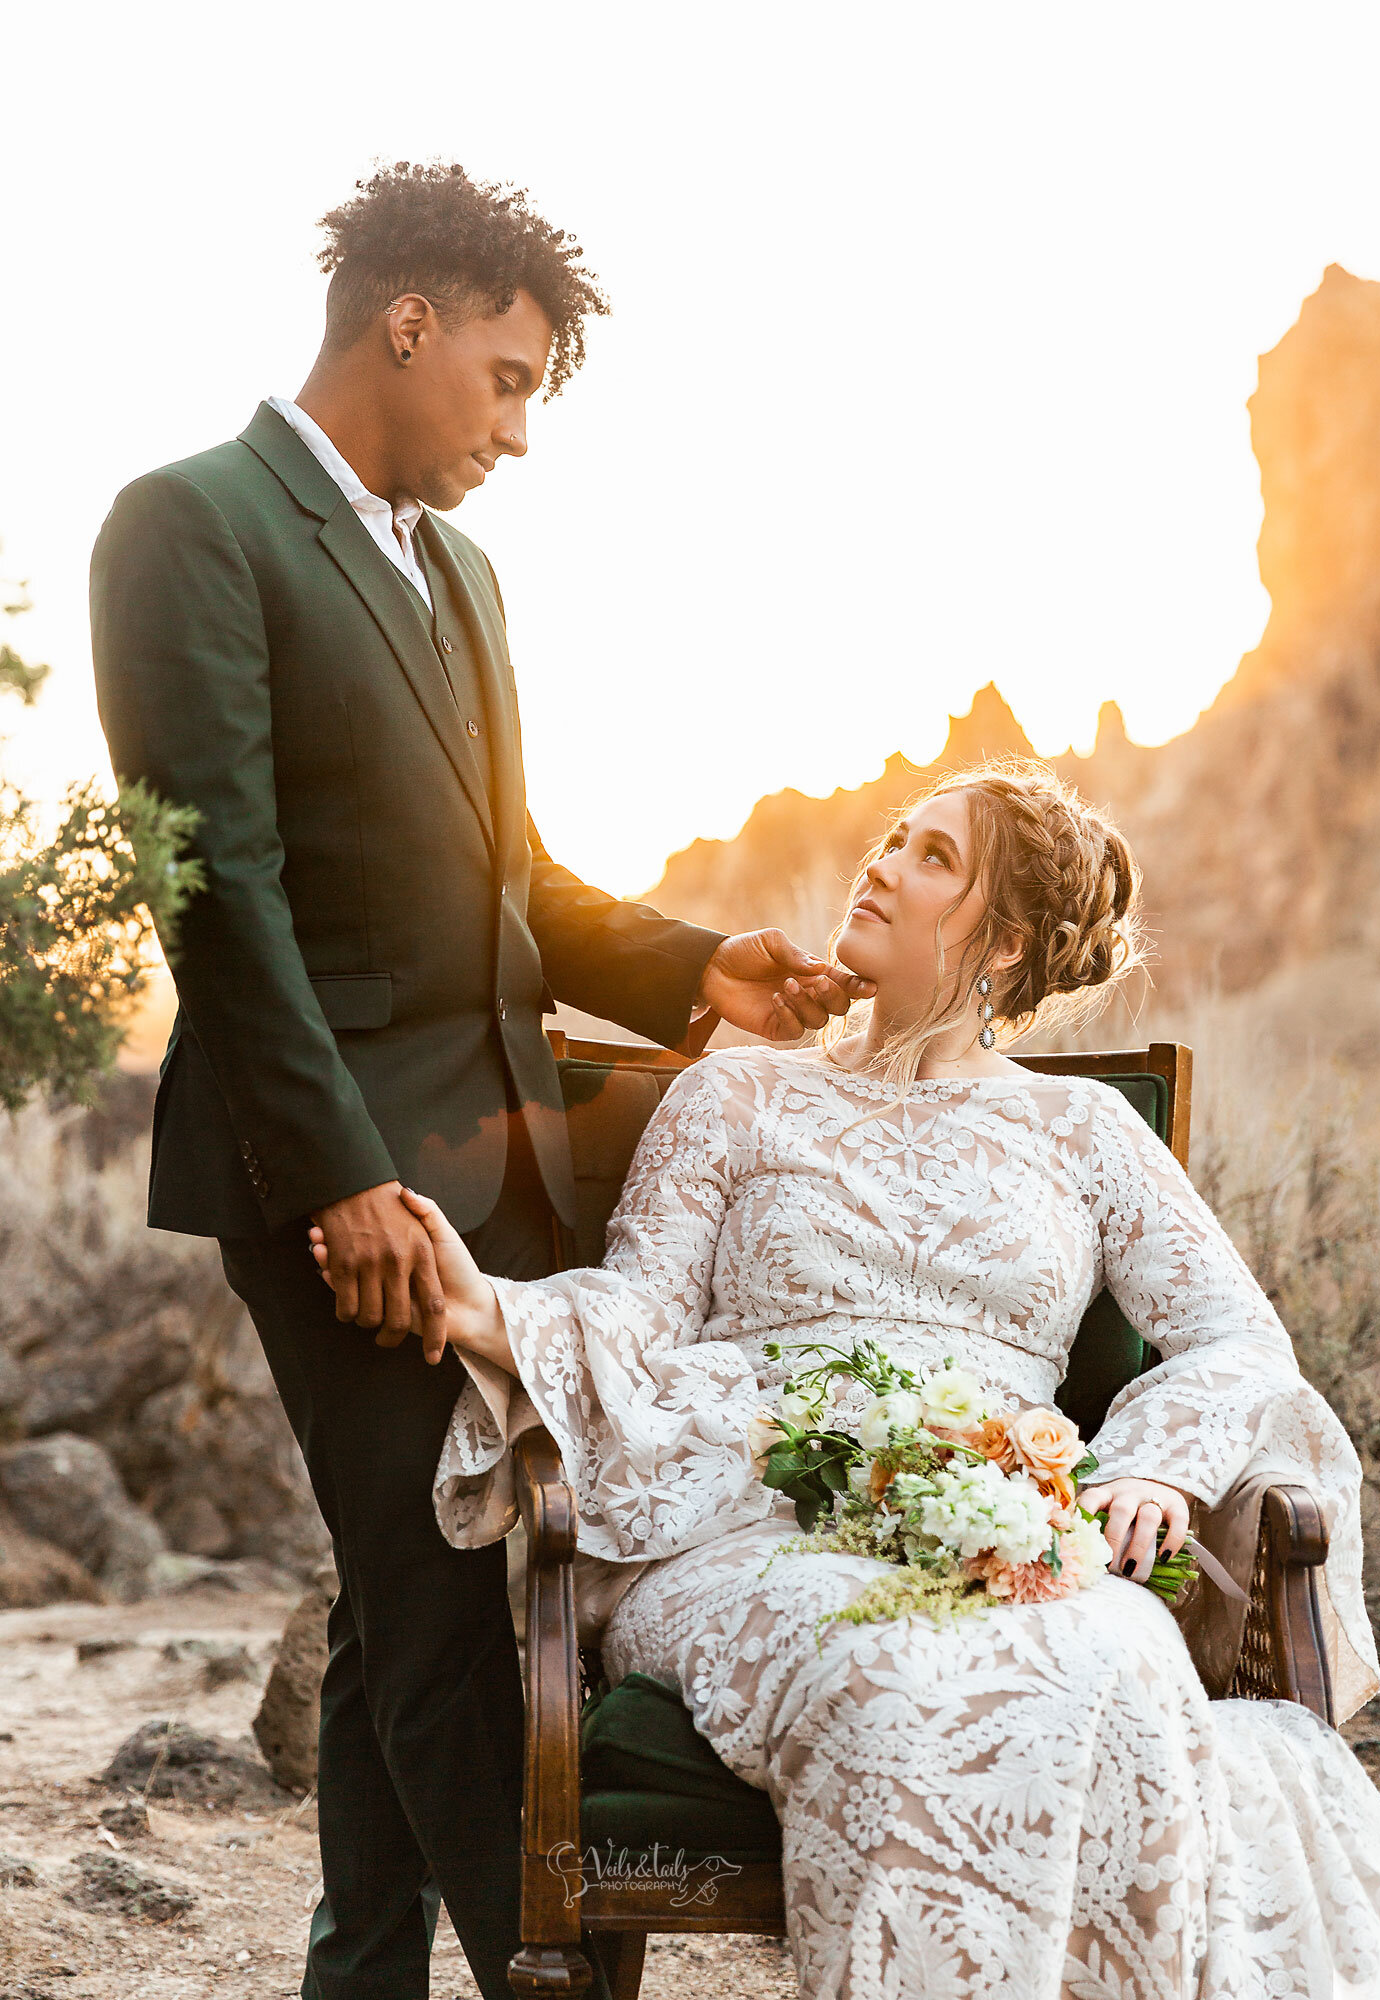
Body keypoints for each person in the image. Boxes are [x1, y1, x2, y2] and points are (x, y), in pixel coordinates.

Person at [90, 162, 867, 2000]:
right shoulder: (191, 524)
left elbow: (512, 873)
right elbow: (220, 890)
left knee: (407, 1585)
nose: (517, 431)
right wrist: (343, 1178)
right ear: (406, 322)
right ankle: (562, 1977)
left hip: (509, 1159)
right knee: (448, 1605)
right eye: (505, 380)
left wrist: (696, 969)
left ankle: (357, 1971)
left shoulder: (466, 574)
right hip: (340, 1184)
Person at [351, 761, 1380, 1999]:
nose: (883, 861)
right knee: (886, 1677)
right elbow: (640, 1305)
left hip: (1007, 1527)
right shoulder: (733, 1093)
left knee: (1120, 1663)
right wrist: (488, 1308)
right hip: (752, 1518)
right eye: (895, 836)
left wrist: (1157, 1459)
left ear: (1000, 943)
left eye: (934, 855)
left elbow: (1239, 1337)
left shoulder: (1086, 1131)